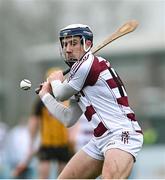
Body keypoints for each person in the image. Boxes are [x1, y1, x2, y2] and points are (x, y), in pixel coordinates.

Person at [38, 24, 143, 179]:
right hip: (100, 140)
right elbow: (68, 118)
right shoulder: (77, 76)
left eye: (73, 43)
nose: (67, 49)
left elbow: (60, 94)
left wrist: (55, 81)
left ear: (87, 44)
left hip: (122, 134)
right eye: (65, 44)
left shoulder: (89, 65)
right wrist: (45, 96)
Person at [13, 68, 73, 179]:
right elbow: (33, 122)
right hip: (47, 144)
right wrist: (31, 144)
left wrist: (72, 138)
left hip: (64, 144)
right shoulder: (41, 101)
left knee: (64, 177)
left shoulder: (66, 98)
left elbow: (73, 121)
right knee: (43, 176)